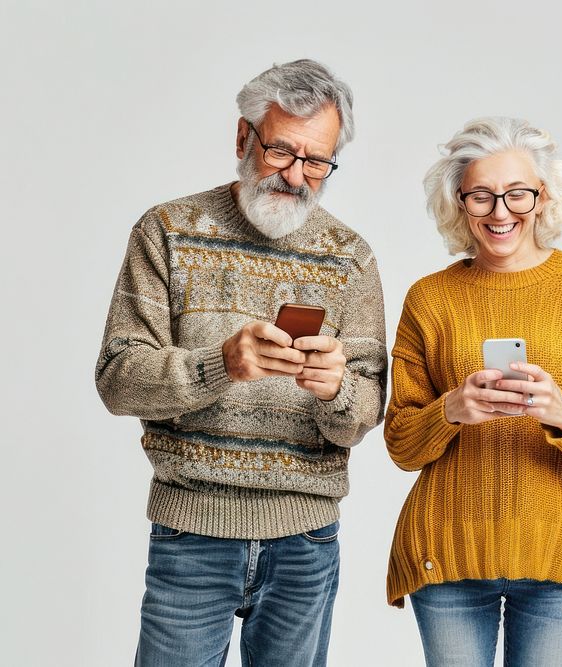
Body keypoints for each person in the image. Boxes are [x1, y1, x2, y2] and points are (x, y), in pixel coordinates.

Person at [95, 59, 387, 667]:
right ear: (242, 137)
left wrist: (337, 391)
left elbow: (364, 413)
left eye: (317, 161)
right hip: (191, 532)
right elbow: (118, 380)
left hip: (305, 540)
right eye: (282, 152)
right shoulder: (169, 231)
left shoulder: (349, 257)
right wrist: (219, 365)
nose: (298, 176)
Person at [384, 117, 562, 666]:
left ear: (543, 198)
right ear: (460, 202)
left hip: (558, 551)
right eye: (482, 196)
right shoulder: (429, 298)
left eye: (517, 194)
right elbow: (401, 444)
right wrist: (449, 410)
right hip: (447, 554)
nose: (501, 213)